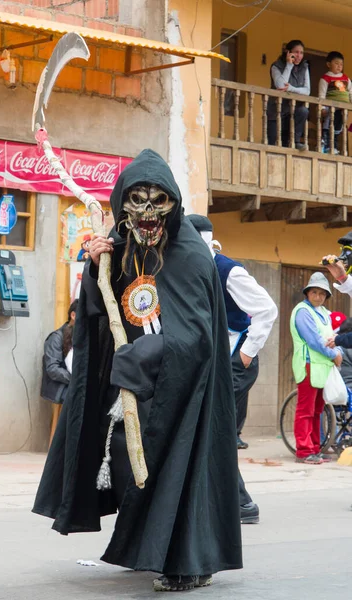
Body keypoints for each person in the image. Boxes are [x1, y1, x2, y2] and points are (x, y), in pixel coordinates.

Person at [33, 149, 242, 593]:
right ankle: (145, 546)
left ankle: (188, 561)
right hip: (136, 386)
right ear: (121, 203)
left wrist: (150, 353)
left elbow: (198, 335)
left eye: (158, 201)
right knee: (128, 463)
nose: (147, 213)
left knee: (177, 468)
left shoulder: (189, 253)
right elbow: (98, 312)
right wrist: (95, 268)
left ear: (174, 204)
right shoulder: (123, 244)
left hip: (184, 388)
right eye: (137, 200)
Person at [189, 214, 277, 525]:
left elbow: (267, 308)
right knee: (213, 430)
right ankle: (229, 501)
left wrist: (245, 354)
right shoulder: (197, 268)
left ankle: (240, 503)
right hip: (218, 360)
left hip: (235, 362)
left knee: (215, 429)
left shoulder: (228, 270)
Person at [290, 272, 342, 465]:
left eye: (322, 293)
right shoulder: (303, 311)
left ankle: (314, 448)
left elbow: (330, 338)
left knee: (317, 410)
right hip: (309, 364)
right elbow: (314, 341)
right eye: (314, 292)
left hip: (322, 367)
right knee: (306, 409)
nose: (318, 296)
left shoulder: (323, 313)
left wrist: (337, 351)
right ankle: (303, 451)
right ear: (307, 293)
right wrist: (335, 354)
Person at [41, 300, 77, 445]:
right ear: (73, 315)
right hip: (59, 386)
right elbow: (52, 369)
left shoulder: (81, 336)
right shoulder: (56, 337)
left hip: (71, 383)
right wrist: (75, 379)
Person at [267, 40, 310, 150]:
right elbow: (280, 85)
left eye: (301, 53)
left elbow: (307, 90)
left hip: (293, 110)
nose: (299, 56)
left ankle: (296, 141)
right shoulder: (276, 66)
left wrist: (291, 88)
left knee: (303, 111)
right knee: (274, 144)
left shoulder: (304, 67)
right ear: (288, 52)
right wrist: (289, 65)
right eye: (296, 52)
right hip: (277, 110)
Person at [318, 51, 352, 154]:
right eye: (336, 63)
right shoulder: (325, 78)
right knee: (328, 124)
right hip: (330, 107)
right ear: (328, 64)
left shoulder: (346, 79)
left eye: (341, 64)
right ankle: (326, 145)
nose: (339, 66)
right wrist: (322, 107)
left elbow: (350, 92)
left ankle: (334, 146)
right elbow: (321, 95)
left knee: (338, 127)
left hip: (342, 109)